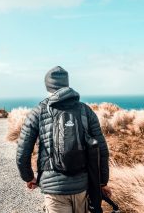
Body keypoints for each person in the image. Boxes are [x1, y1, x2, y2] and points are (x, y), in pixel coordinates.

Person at [16, 66, 111, 213]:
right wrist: (102, 182)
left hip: (53, 189)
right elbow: (102, 150)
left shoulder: (37, 112)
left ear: (47, 86)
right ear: (67, 84)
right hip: (82, 186)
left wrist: (29, 177)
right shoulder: (86, 111)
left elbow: (22, 153)